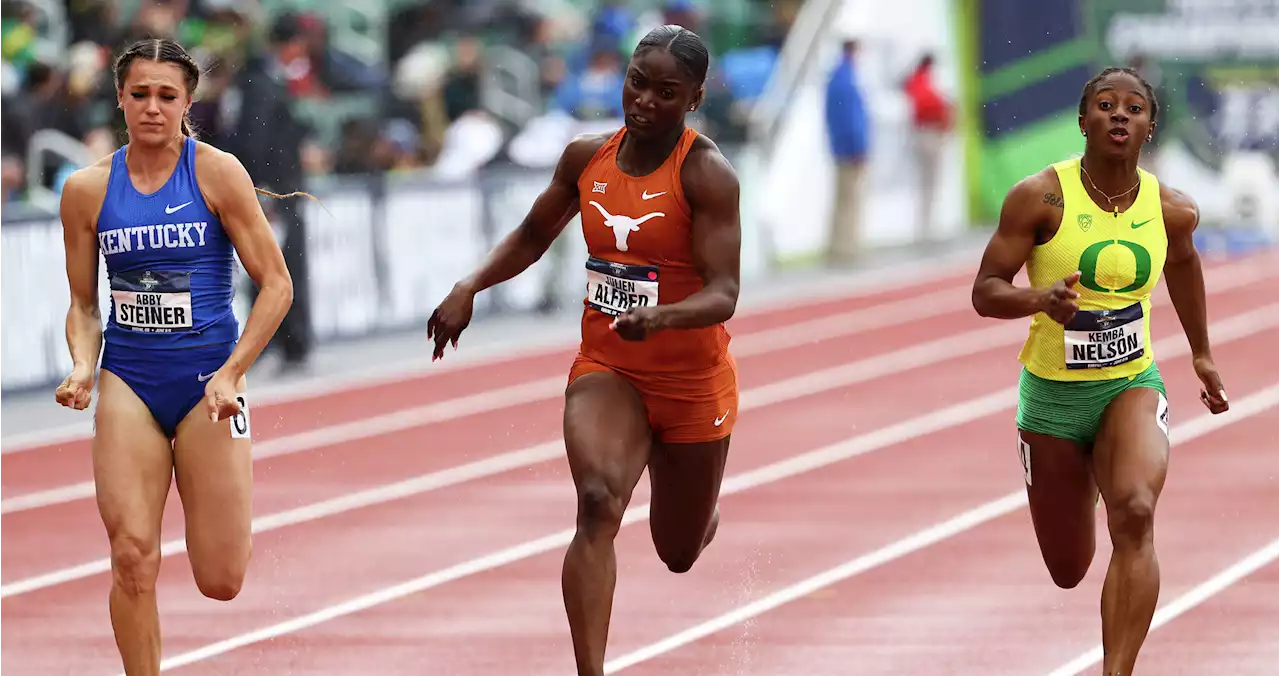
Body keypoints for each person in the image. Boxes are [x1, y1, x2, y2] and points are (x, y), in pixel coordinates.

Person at [427, 25, 741, 676]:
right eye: (637, 82)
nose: (645, 101)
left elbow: (724, 293)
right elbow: (534, 232)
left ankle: (693, 503)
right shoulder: (585, 158)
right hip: (610, 367)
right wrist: (469, 286)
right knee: (598, 501)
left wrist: (662, 317)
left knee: (678, 550)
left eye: (666, 92)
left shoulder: (707, 173)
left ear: (695, 99)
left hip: (690, 380)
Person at [971, 66, 1229, 675]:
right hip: (1053, 400)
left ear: (1149, 125)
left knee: (1136, 511)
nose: (1120, 114)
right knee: (1068, 569)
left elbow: (1184, 267)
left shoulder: (1171, 209)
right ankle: (1085, 470)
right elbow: (985, 291)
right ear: (1083, 121)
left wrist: (1201, 351)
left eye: (1134, 107)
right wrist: (1041, 301)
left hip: (1129, 384)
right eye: (1105, 105)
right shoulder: (1040, 197)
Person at [53, 38, 298, 676]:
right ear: (120, 99)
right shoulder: (86, 191)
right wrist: (82, 365)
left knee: (221, 579)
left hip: (207, 386)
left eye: (167, 96)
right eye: (140, 95)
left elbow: (276, 284)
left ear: (188, 103)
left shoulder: (217, 173)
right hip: (129, 380)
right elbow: (83, 305)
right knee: (132, 555)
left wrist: (233, 370)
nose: (153, 108)